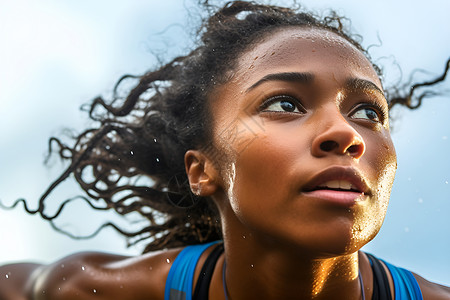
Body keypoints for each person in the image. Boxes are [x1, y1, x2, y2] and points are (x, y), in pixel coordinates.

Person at [0, 1, 449, 299]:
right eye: (284, 104)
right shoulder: (98, 290)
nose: (344, 133)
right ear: (203, 170)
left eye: (368, 113)